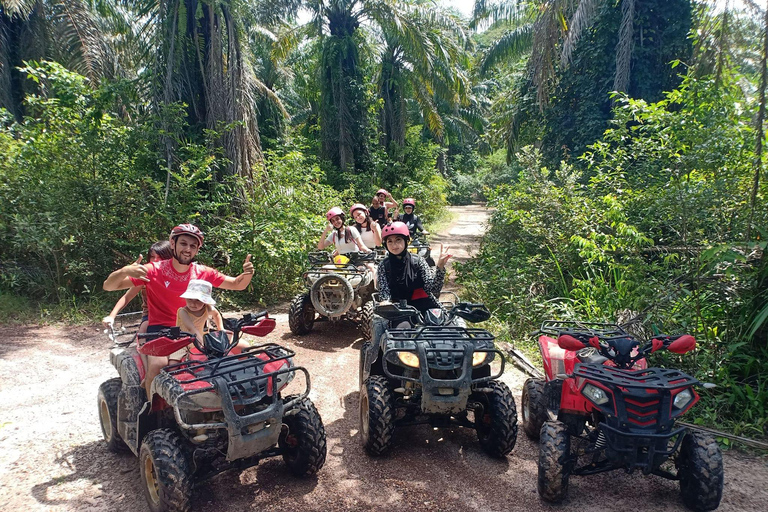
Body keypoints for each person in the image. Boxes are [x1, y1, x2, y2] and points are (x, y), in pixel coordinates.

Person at [103, 223, 254, 396]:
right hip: (162, 330)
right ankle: (150, 408)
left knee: (243, 348)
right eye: (183, 243)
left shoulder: (203, 272)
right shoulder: (153, 270)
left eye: (192, 246)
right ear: (172, 244)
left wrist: (247, 273)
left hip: (198, 329)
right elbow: (109, 286)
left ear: (197, 250)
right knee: (157, 365)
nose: (187, 249)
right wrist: (124, 271)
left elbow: (237, 284)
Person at [102, 241, 173, 336]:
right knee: (143, 333)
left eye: (160, 257)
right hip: (150, 317)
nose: (156, 260)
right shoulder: (145, 275)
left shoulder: (181, 275)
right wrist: (112, 316)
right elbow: (127, 297)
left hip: (176, 316)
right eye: (152, 257)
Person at [377, 221, 451, 313]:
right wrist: (385, 302)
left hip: (425, 305)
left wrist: (440, 267)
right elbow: (384, 292)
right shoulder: (384, 265)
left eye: (398, 240)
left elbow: (433, 289)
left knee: (448, 324)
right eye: (390, 241)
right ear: (386, 245)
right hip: (399, 310)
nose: (394, 245)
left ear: (406, 240)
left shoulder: (418, 261)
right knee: (403, 326)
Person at [173, 279, 248, 361]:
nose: (193, 304)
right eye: (190, 299)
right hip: (183, 342)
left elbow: (216, 314)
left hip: (203, 338)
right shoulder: (183, 312)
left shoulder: (207, 308)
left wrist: (221, 328)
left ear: (205, 301)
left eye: (198, 300)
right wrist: (203, 343)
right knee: (173, 365)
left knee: (219, 358)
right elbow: (192, 328)